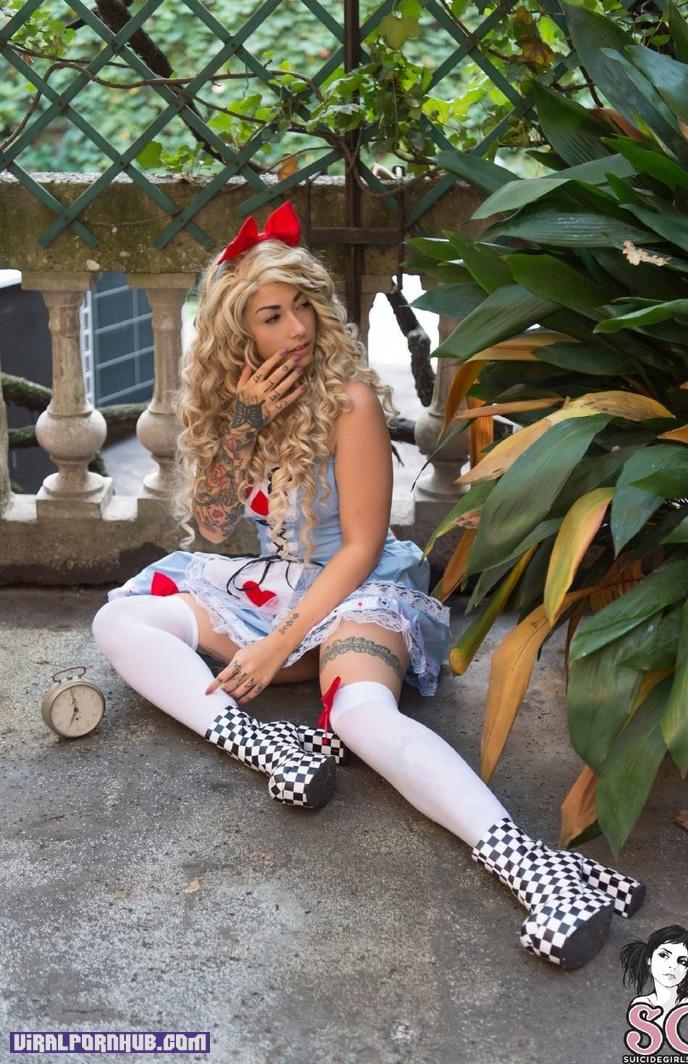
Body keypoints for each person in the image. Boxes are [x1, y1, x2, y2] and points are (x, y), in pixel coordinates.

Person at [92, 200, 646, 970]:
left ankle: (537, 872)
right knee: (117, 623)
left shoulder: (347, 398)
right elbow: (213, 528)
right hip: (280, 587)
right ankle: (269, 747)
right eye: (272, 316)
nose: (297, 329)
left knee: (358, 715)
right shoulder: (237, 403)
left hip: (359, 592)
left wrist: (275, 648)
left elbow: (357, 550)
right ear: (236, 334)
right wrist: (244, 424)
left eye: (303, 307)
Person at [621, 925, 688, 1025]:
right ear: (649, 959)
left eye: (682, 961)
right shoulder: (641, 1005)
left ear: (687, 969)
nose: (673, 966)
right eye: (663, 955)